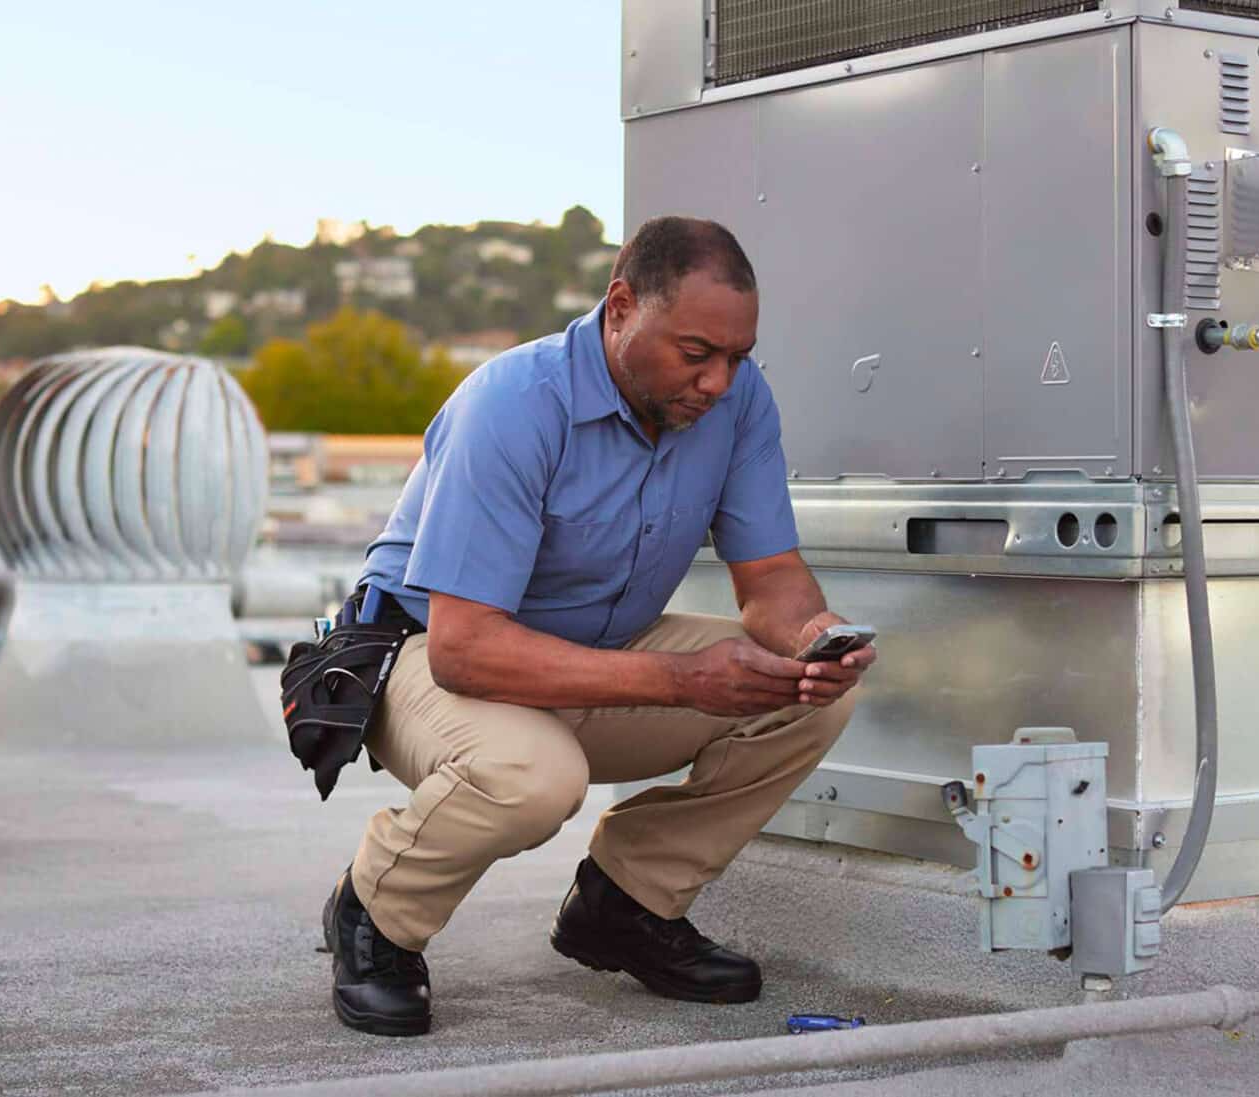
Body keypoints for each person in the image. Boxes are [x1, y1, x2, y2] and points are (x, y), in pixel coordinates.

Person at [325, 215, 877, 1036]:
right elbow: (465, 648)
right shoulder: (513, 403)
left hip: (594, 653)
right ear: (620, 307)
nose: (719, 382)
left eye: (737, 357)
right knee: (534, 776)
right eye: (696, 354)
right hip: (418, 657)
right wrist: (683, 679)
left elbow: (770, 584)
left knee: (807, 695)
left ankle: (625, 905)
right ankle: (375, 914)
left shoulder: (737, 405)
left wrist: (815, 638)